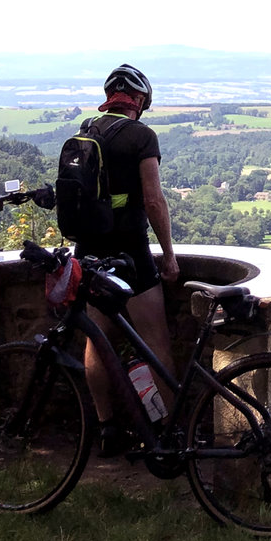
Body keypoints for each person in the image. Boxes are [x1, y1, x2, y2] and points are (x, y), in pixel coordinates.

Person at [75, 63, 180, 455]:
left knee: (97, 340)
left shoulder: (86, 130)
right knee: (156, 341)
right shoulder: (142, 136)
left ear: (110, 98)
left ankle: (107, 429)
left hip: (89, 252)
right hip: (130, 252)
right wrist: (169, 256)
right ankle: (170, 432)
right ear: (139, 101)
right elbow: (153, 200)